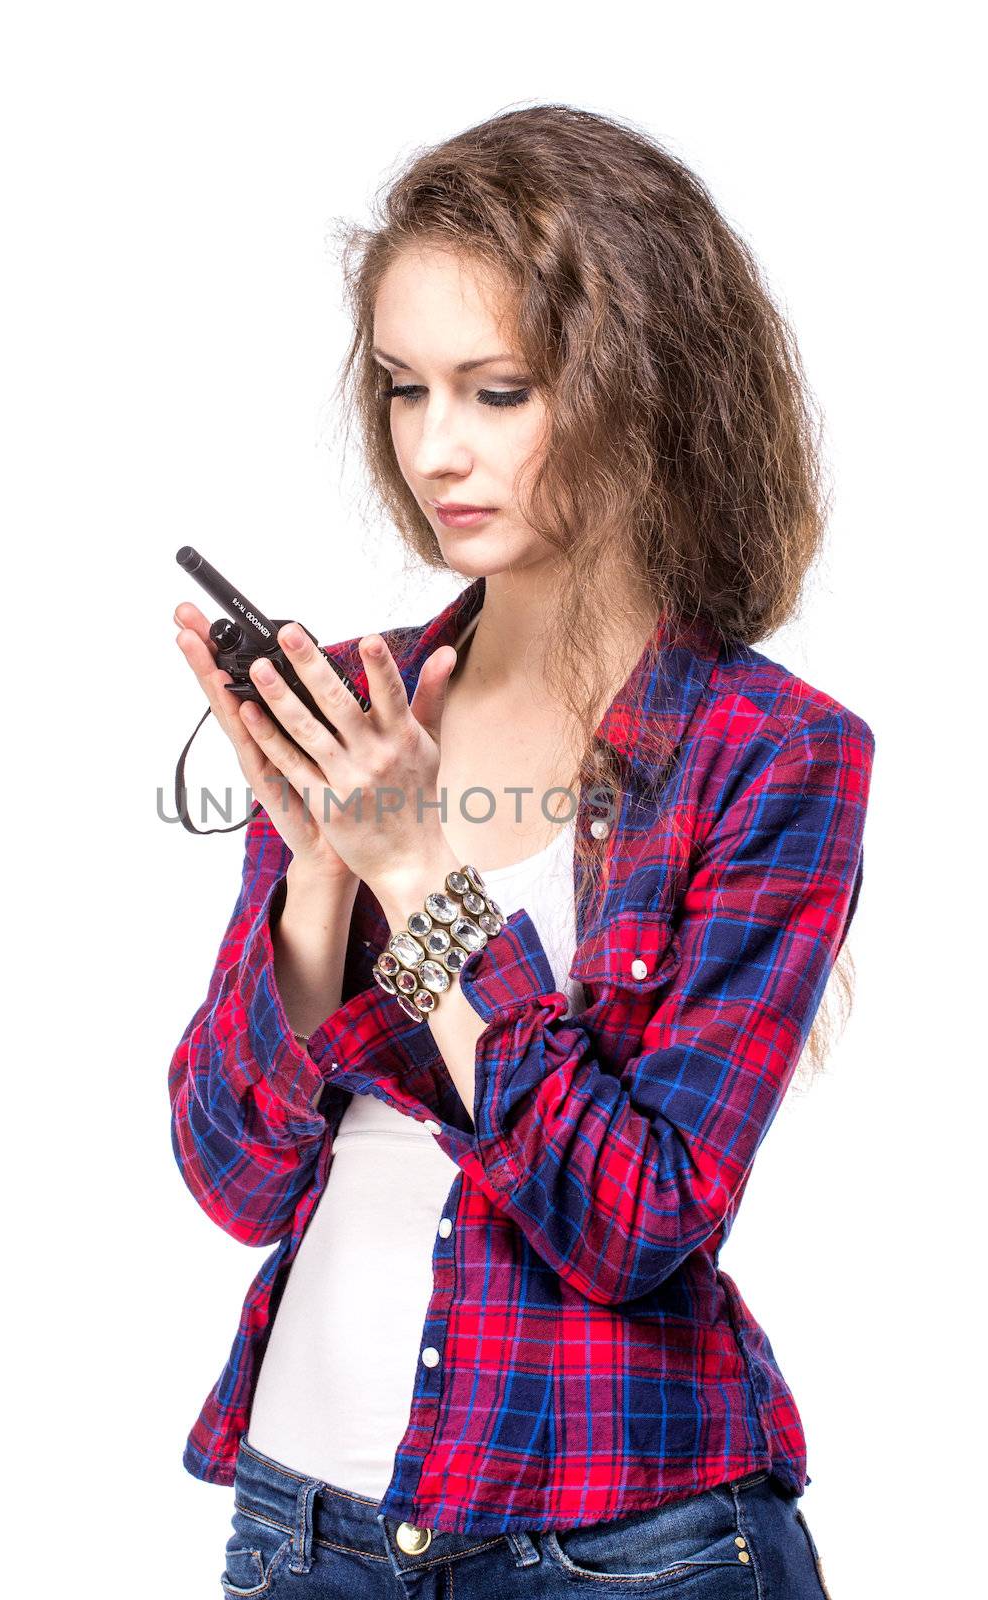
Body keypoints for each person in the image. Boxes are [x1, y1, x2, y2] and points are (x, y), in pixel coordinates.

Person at [169, 104, 866, 1598]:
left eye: (496, 391)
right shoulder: (361, 714)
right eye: (405, 389)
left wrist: (420, 874)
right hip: (300, 1537)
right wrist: (315, 872)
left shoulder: (772, 756)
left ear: (640, 391)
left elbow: (636, 1219)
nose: (434, 448)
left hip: (618, 1549)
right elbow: (231, 1178)